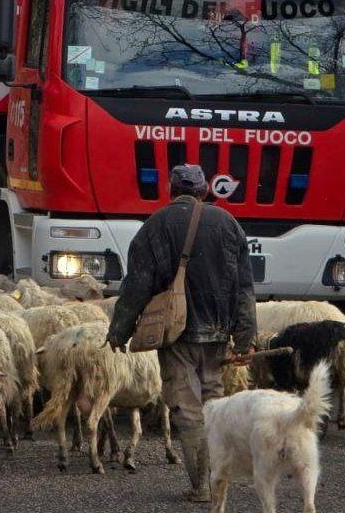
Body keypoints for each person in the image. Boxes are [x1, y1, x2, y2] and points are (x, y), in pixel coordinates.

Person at [105, 164, 257, 503]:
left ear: (171, 190)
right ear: (205, 190)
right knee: (213, 402)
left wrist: (119, 331)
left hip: (176, 335)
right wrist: (245, 337)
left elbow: (137, 286)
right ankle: (218, 481)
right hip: (218, 333)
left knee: (187, 409)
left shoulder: (154, 226)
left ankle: (201, 486)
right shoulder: (228, 224)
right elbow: (244, 286)